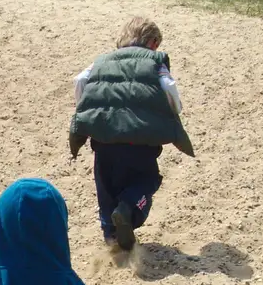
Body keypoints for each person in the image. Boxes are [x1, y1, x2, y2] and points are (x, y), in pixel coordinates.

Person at [69, 17, 195, 251]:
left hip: (104, 140)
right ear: (154, 43)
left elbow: (80, 80)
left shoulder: (101, 61)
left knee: (105, 189)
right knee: (146, 180)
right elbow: (169, 88)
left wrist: (87, 109)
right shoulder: (156, 61)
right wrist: (172, 110)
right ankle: (128, 208)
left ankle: (113, 242)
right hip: (140, 142)